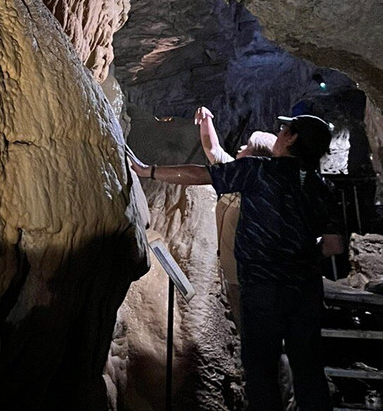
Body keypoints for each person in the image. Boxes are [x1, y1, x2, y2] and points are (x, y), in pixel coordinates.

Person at [131, 113, 343, 411]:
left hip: (262, 289)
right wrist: (299, 252)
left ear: (292, 138)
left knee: (261, 371)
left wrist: (147, 171)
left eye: (285, 128)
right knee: (309, 370)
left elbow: (201, 174)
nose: (280, 132)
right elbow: (333, 246)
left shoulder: (260, 171)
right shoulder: (323, 188)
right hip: (305, 292)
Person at [195, 106, 275, 327]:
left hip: (251, 278)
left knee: (257, 331)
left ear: (257, 158)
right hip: (233, 275)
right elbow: (213, 149)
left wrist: (148, 171)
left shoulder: (261, 192)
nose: (242, 146)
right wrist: (206, 118)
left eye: (248, 146)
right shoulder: (237, 176)